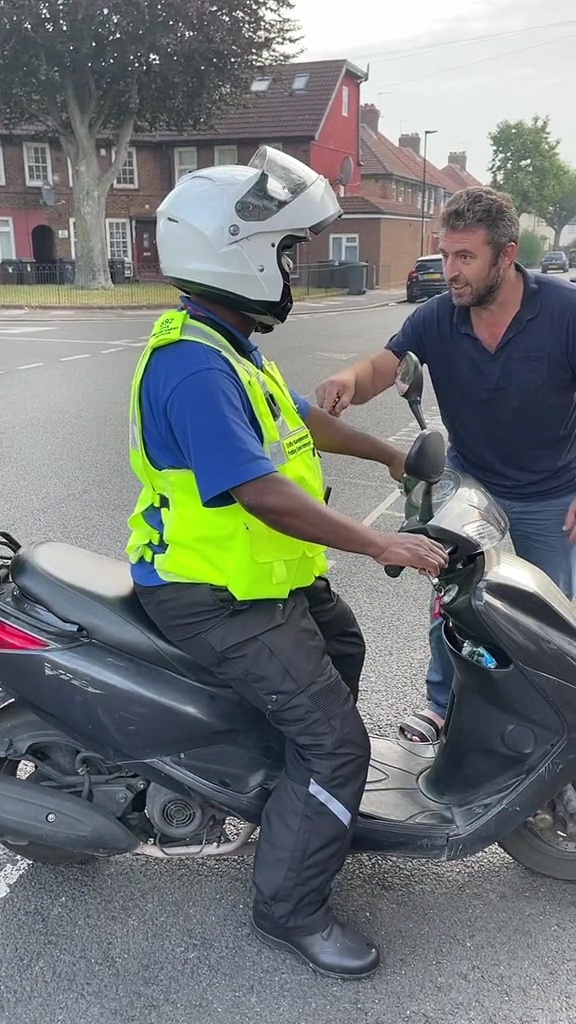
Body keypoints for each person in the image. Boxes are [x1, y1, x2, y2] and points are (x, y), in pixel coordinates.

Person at [126, 146, 448, 980]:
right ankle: (289, 907)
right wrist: (378, 539)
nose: (292, 267)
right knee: (338, 745)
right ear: (235, 254)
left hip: (264, 579)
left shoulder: (229, 345)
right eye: (284, 251)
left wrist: (390, 457)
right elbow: (258, 490)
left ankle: (289, 795)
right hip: (213, 593)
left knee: (345, 648)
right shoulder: (192, 364)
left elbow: (305, 421)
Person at [316, 185, 576, 745]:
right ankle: (442, 706)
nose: (450, 270)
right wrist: (348, 382)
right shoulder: (438, 317)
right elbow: (386, 365)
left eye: (465, 257)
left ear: (506, 256)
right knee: (453, 603)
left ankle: (544, 723)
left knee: (543, 619)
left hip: (552, 493)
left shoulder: (564, 312)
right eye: (446, 254)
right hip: (472, 487)